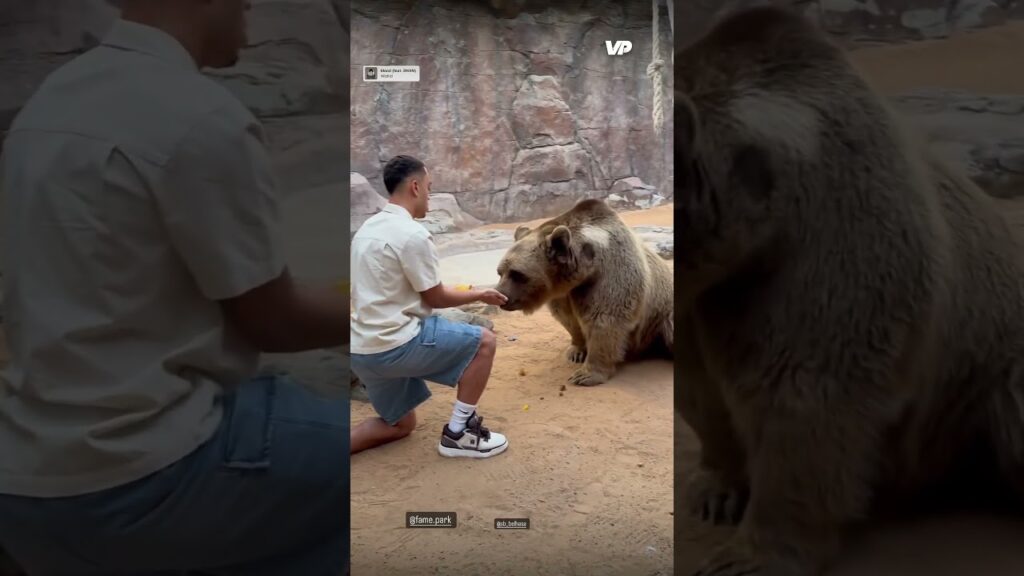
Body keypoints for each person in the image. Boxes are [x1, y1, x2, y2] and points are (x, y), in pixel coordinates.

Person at [0, 1, 349, 575]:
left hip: (29, 474)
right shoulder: (200, 116)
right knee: (366, 469)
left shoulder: (48, 103)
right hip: (146, 470)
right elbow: (272, 321)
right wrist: (386, 309)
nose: (250, 7)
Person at [350, 155, 511, 458]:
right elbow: (435, 298)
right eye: (429, 187)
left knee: (400, 425)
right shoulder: (412, 234)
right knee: (484, 342)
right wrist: (479, 294)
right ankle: (458, 434)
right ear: (414, 186)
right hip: (395, 345)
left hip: (362, 350)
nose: (430, 196)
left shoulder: (367, 230)